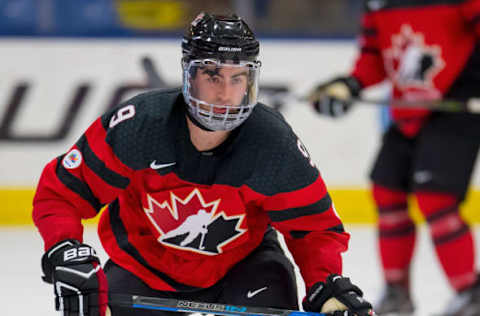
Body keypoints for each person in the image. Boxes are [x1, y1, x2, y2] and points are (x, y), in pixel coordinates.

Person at [33, 12, 374, 316]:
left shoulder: (272, 143)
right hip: (144, 267)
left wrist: (326, 282)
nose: (226, 94)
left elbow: (312, 227)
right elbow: (61, 194)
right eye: (213, 76)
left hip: (245, 267)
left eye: (237, 78)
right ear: (189, 76)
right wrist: (65, 250)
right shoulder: (139, 127)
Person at [308, 1, 480, 315]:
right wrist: (351, 85)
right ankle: (397, 291)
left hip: (454, 108)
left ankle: (471, 293)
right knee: (387, 192)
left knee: (435, 198)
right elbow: (376, 56)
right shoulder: (378, 3)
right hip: (407, 111)